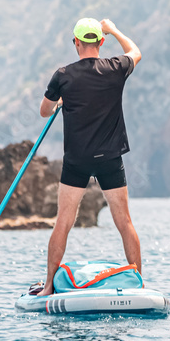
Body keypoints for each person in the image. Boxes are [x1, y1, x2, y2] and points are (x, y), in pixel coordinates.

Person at [33, 17, 142, 297]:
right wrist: (114, 29)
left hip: (77, 161)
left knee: (63, 222)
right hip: (110, 159)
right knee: (125, 222)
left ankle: (48, 286)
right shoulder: (116, 68)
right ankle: (139, 282)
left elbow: (44, 111)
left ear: (77, 43)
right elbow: (135, 52)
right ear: (101, 42)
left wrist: (60, 101)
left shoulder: (63, 75)